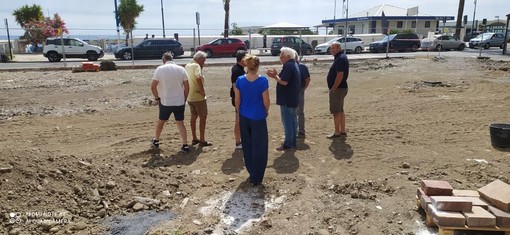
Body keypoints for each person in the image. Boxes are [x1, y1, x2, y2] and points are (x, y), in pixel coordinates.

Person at [234, 54, 270, 185]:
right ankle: (257, 176)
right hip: (259, 116)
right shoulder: (263, 81)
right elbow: (266, 100)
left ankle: (251, 171)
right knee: (260, 147)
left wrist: (238, 113)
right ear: (257, 65)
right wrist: (266, 111)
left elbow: (237, 100)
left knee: (248, 145)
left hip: (244, 116)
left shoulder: (240, 80)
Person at [150, 52, 190, 152]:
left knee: (161, 122)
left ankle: (157, 140)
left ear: (164, 60)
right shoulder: (181, 69)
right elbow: (187, 86)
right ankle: (185, 144)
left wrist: (157, 98)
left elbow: (153, 86)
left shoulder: (160, 69)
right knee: (180, 123)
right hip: (179, 101)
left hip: (165, 101)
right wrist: (185, 97)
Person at [267, 47, 301, 151]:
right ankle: (292, 142)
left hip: (287, 99)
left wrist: (275, 77)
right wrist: (277, 75)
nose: (280, 57)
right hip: (292, 98)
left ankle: (289, 143)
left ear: (287, 56)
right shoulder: (293, 64)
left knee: (288, 121)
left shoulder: (289, 66)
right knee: (292, 121)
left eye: (281, 55)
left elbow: (284, 82)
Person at [185, 51, 213, 146]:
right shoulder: (196, 66)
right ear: (199, 59)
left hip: (190, 96)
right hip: (198, 96)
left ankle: (194, 138)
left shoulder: (187, 65)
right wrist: (202, 91)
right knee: (203, 117)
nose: (203, 63)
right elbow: (198, 78)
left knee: (193, 116)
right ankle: (202, 139)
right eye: (203, 61)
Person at [326, 42, 349, 138]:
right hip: (341, 88)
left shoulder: (340, 59)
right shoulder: (341, 57)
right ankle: (342, 130)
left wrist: (334, 88)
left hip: (338, 89)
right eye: (331, 48)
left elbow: (340, 75)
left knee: (336, 111)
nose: (332, 50)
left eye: (334, 48)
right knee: (340, 110)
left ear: (339, 48)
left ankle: (337, 132)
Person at [230, 51, 247, 149]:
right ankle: (238, 142)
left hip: (239, 98)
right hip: (238, 99)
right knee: (238, 120)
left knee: (240, 120)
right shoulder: (237, 70)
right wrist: (238, 102)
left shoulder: (239, 69)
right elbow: (236, 87)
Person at [296, 54, 311, 138]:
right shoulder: (288, 66)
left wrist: (303, 89)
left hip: (299, 90)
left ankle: (301, 131)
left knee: (299, 111)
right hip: (293, 91)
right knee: (295, 112)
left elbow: (307, 79)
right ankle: (295, 130)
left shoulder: (302, 67)